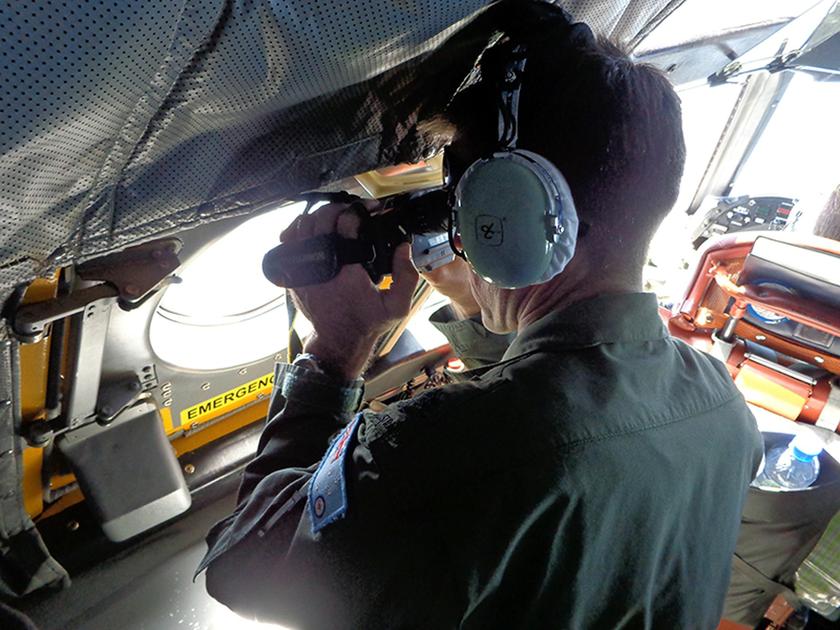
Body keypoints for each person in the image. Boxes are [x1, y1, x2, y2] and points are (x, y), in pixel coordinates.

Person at [198, 5, 763, 628]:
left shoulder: (446, 448)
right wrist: (474, 304)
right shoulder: (722, 407)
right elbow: (561, 414)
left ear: (508, 214)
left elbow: (245, 568)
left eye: (461, 205)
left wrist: (334, 352)